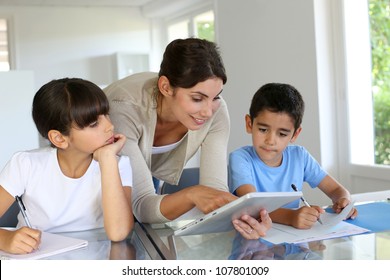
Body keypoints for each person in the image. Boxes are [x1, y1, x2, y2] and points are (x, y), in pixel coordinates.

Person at [104, 38, 271, 239]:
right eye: (197, 99)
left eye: (216, 96)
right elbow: (141, 205)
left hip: (150, 173)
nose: (208, 112)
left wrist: (245, 218)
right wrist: (192, 194)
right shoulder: (123, 108)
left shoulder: (217, 112)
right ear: (166, 87)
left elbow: (214, 192)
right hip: (99, 175)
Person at [0, 78, 133, 254]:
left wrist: (108, 159)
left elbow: (118, 233)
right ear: (59, 138)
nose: (110, 126)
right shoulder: (26, 164)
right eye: (94, 124)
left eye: (106, 115)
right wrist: (4, 238)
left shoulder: (118, 164)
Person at [229, 83, 358, 229]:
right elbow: (251, 206)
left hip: (292, 240)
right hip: (250, 240)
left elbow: (336, 190)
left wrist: (343, 201)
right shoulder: (240, 158)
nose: (270, 141)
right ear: (249, 124)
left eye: (282, 134)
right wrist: (291, 217)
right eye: (263, 129)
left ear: (295, 134)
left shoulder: (300, 156)